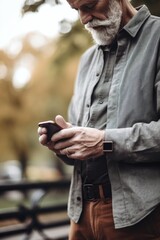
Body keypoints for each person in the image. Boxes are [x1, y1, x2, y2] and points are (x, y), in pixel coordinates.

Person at [38, 0, 160, 239]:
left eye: (90, 5)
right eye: (77, 10)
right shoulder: (86, 60)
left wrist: (104, 142)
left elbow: (98, 143)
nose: (84, 19)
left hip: (142, 217)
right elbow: (82, 147)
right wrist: (63, 144)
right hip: (80, 217)